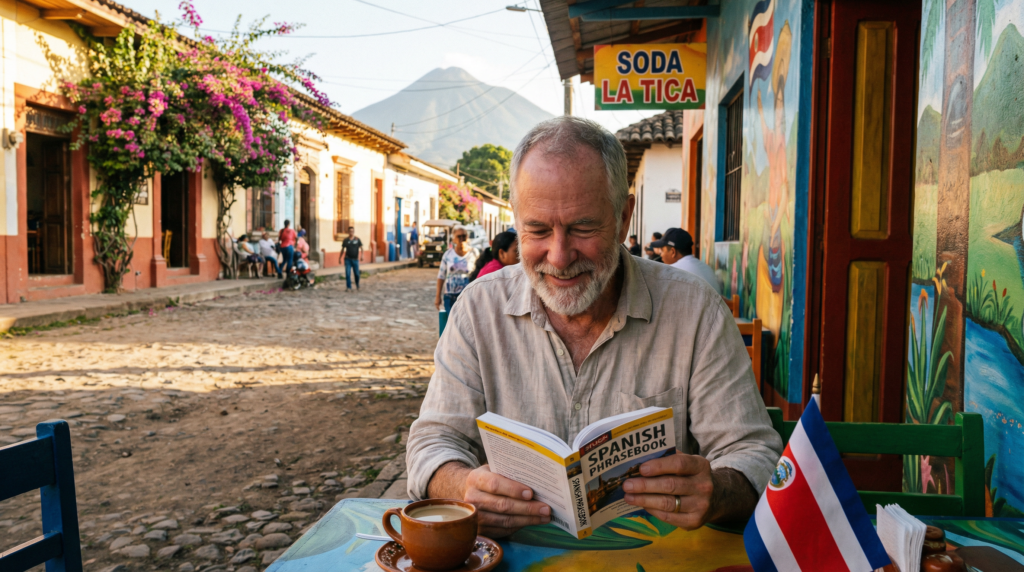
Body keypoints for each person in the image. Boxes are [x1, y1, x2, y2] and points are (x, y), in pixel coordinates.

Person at [407, 116, 781, 538]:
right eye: (537, 230)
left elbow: (757, 457)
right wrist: (462, 486)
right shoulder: (478, 310)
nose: (560, 255)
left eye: (583, 228)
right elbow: (431, 444)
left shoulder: (696, 314)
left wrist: (716, 491)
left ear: (624, 217)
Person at [653, 228, 723, 294]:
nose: (660, 254)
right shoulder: (706, 268)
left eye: (662, 250)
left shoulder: (672, 271)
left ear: (673, 252)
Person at [433, 226, 478, 314]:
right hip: (450, 296)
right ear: (453, 239)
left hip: (469, 295)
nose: (461, 238)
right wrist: (438, 296)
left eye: (464, 236)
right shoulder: (448, 255)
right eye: (459, 236)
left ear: (467, 237)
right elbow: (441, 276)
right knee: (453, 323)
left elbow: (481, 272)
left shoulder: (474, 253)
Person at [340, 226, 363, 291]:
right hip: (348, 259)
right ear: (348, 232)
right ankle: (348, 287)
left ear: (354, 232)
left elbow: (361, 248)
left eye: (352, 231)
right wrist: (340, 258)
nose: (351, 232)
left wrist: (362, 256)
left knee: (357, 274)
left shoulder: (357, 239)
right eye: (350, 231)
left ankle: (357, 285)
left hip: (355, 259)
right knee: (347, 273)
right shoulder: (346, 240)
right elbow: (342, 249)